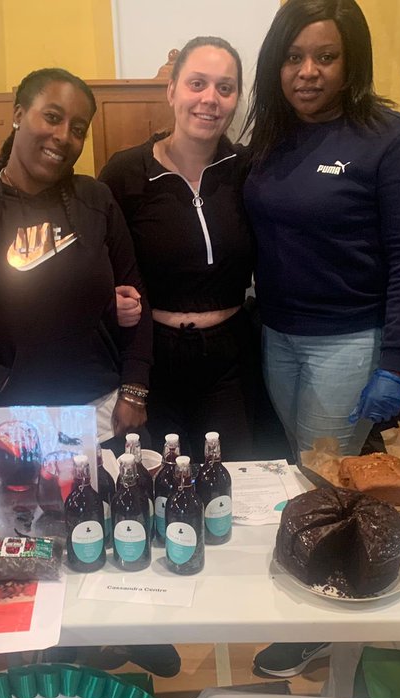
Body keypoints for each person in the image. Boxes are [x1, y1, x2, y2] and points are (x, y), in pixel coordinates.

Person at [243, 1, 400, 678]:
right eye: (293, 57)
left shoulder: (393, 140)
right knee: (306, 468)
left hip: (349, 343)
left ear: (350, 59)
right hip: (278, 334)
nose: (306, 73)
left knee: (322, 481)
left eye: (324, 57)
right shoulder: (272, 135)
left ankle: (323, 621)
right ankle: (328, 581)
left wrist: (395, 363)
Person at [0, 68, 151, 460]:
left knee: (103, 521)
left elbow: (137, 296)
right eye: (52, 117)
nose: (63, 136)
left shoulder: (96, 201)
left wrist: (135, 388)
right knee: (24, 524)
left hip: (100, 414)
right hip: (8, 418)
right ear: (18, 113)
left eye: (78, 128)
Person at [99, 36, 256, 461]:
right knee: (158, 491)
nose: (211, 99)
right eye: (197, 84)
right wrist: (104, 298)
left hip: (230, 360)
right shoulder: (126, 172)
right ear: (171, 91)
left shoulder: (247, 170)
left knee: (232, 486)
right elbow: (98, 259)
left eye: (225, 88)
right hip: (152, 358)